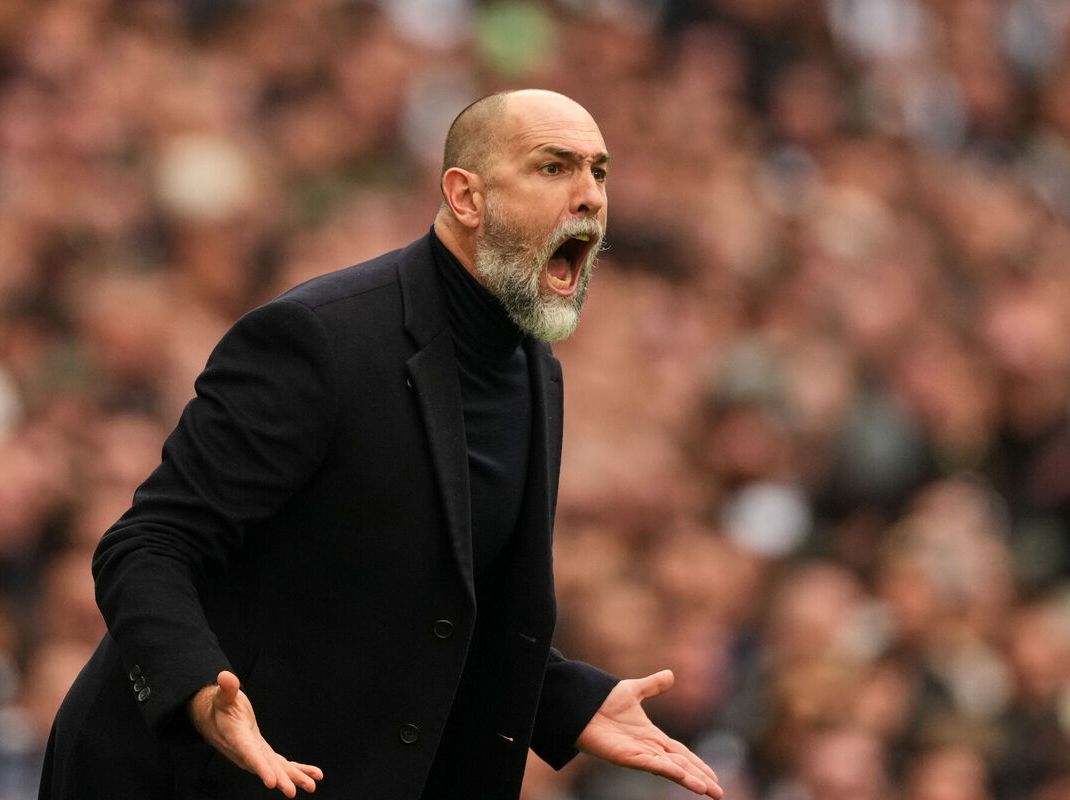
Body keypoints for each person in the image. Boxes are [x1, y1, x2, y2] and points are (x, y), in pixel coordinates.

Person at [39, 89, 724, 800]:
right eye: (555, 168)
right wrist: (195, 688)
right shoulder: (320, 340)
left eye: (600, 173)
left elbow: (434, 606)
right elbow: (147, 544)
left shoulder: (533, 372)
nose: (590, 197)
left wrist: (566, 700)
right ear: (465, 197)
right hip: (181, 777)